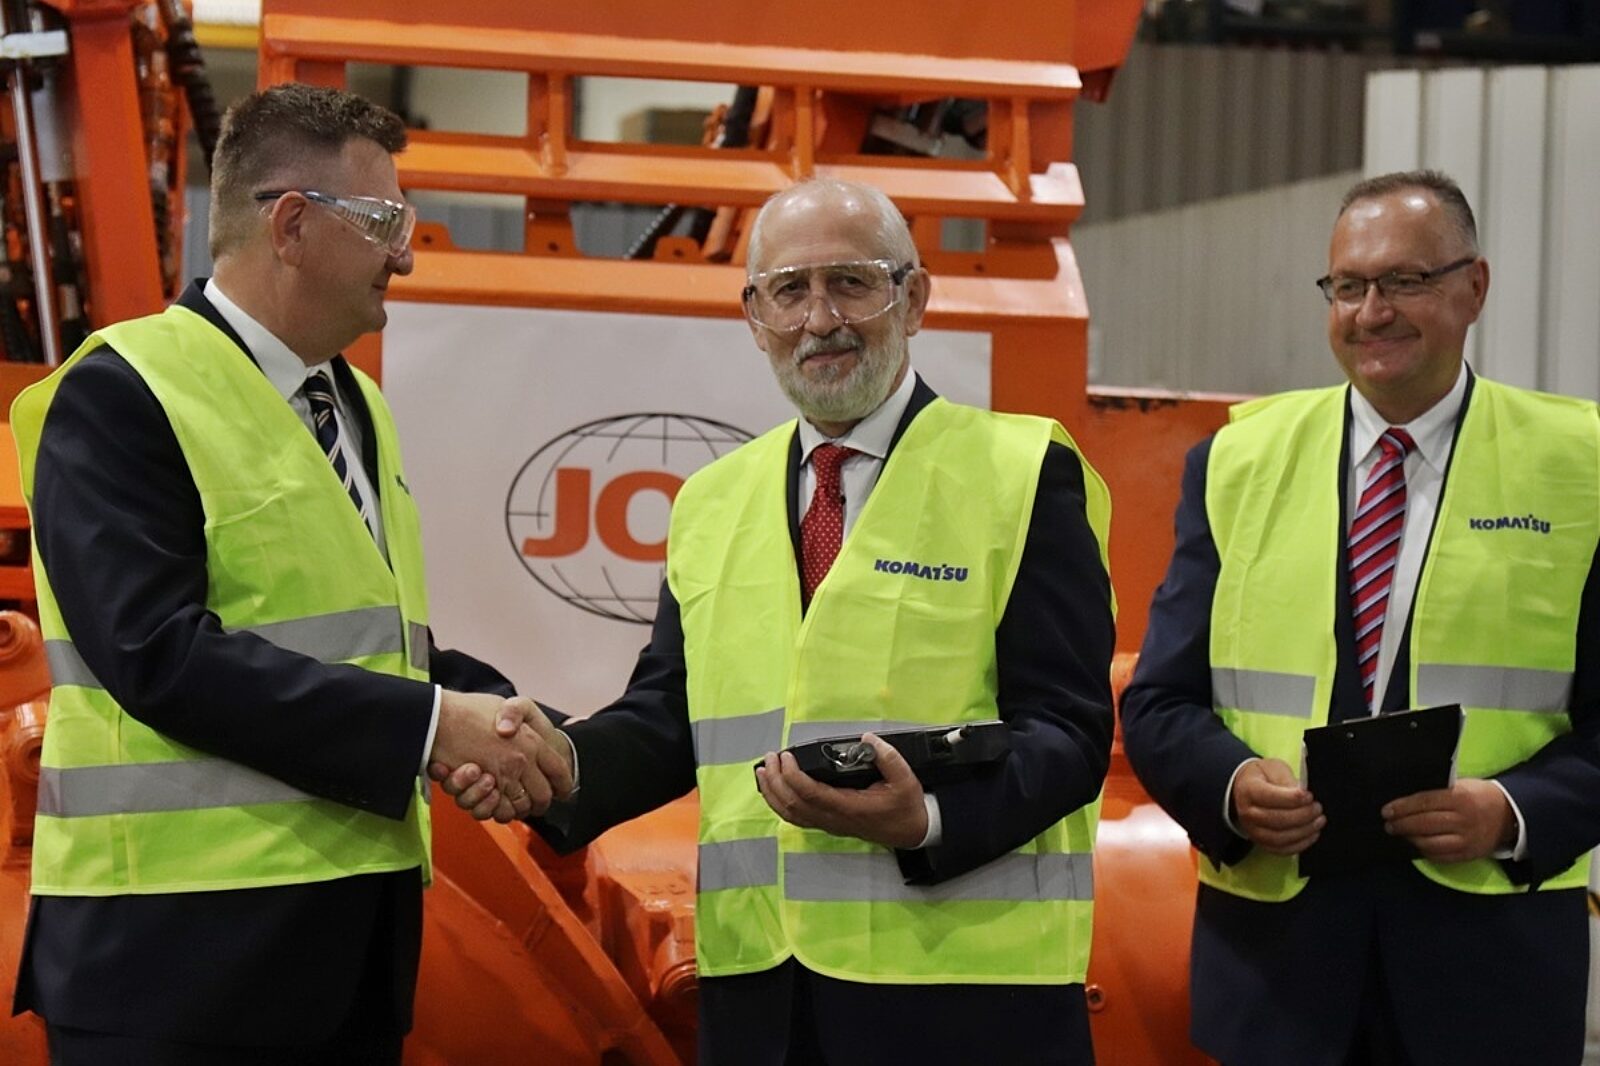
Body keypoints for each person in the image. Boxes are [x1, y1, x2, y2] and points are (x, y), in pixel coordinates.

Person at [439, 178, 1116, 1065]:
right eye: (790, 290)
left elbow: (1069, 731)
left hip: (964, 999)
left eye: (852, 283)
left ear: (913, 299)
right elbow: (671, 715)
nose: (820, 319)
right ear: (754, 317)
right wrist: (557, 764)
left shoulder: (1021, 472)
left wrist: (926, 818)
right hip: (757, 996)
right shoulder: (712, 501)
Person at [9, 83, 570, 1064]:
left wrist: (510, 721)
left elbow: (374, 641)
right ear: (294, 225)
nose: (405, 255)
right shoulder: (122, 393)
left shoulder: (355, 403)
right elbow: (157, 655)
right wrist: (433, 727)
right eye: (386, 222)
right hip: (177, 960)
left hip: (344, 950)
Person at [1121, 169, 1600, 1066]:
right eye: (1348, 286)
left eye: (1405, 281)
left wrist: (1511, 812)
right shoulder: (1235, 461)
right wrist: (1233, 787)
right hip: (1277, 979)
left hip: (1489, 978)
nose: (1371, 312)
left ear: (1474, 288)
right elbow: (1159, 703)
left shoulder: (1581, 468)